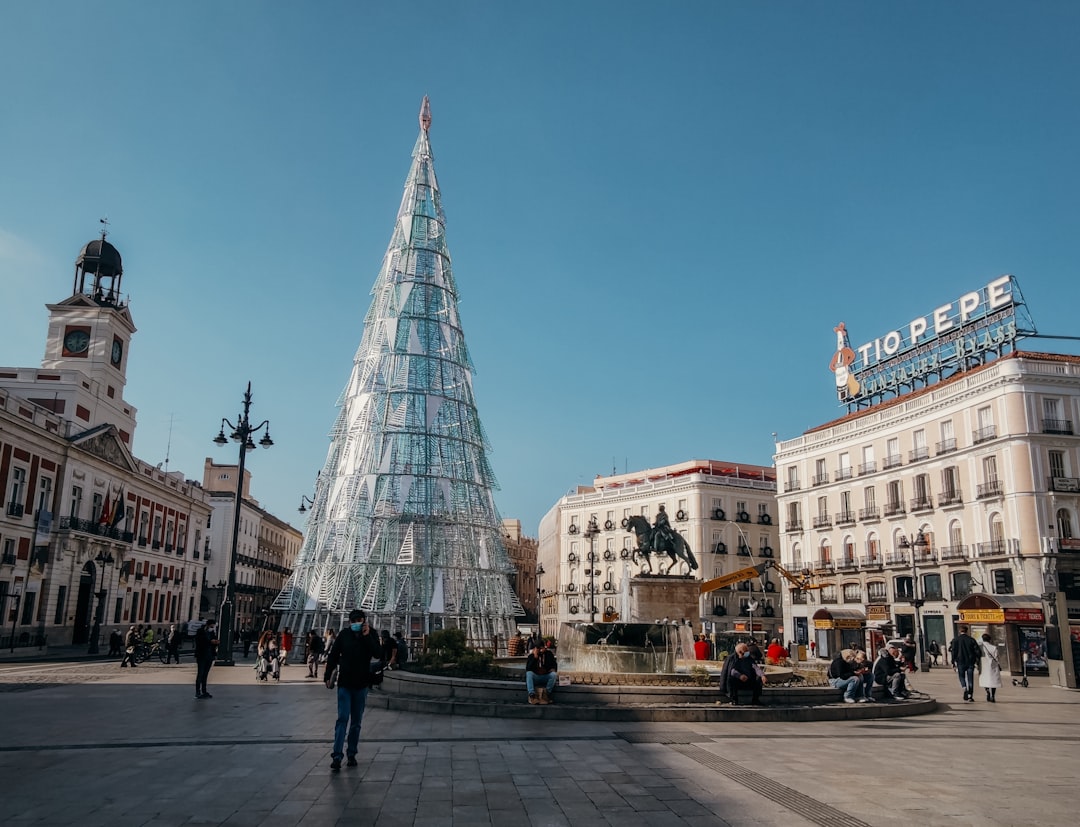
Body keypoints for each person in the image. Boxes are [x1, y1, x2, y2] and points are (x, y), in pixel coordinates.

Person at [324, 608, 382, 771]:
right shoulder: (344, 635)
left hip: (361, 684)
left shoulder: (371, 634)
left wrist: (367, 637)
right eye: (355, 621)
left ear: (364, 621)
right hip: (345, 683)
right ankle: (337, 755)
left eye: (360, 621)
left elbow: (377, 653)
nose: (358, 623)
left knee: (356, 722)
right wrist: (328, 675)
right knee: (342, 718)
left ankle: (351, 753)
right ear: (350, 622)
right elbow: (333, 656)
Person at [949, 626, 981, 703]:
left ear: (960, 631)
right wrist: (977, 660)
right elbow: (977, 651)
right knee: (970, 678)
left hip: (960, 661)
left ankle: (964, 687)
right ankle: (970, 696)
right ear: (967, 631)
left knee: (961, 676)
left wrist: (953, 661)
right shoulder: (971, 640)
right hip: (970, 662)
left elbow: (953, 651)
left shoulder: (955, 640)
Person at [194, 619, 219, 699]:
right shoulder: (200, 631)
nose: (213, 627)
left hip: (209, 656)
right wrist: (210, 641)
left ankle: (204, 691)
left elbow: (214, 640)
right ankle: (197, 692)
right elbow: (200, 642)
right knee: (200, 674)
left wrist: (216, 641)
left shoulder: (211, 632)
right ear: (209, 624)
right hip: (201, 655)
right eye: (213, 625)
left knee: (205, 675)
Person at [978, 633, 1002, 702]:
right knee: (993, 680)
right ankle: (993, 695)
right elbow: (997, 657)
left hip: (984, 664)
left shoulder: (981, 647)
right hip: (993, 665)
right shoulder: (994, 647)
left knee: (985, 679)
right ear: (989, 640)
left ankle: (987, 691)